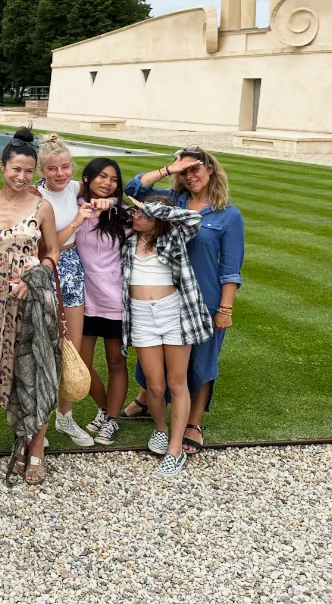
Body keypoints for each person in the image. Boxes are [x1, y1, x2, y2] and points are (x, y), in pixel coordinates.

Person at [123, 146, 245, 455]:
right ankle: (147, 401)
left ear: (211, 171)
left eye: (195, 169)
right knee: (156, 359)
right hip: (164, 295)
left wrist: (225, 308)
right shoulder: (172, 200)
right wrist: (169, 169)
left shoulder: (227, 215)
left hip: (203, 297)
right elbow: (133, 190)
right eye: (185, 171)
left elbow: (231, 267)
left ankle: (193, 422)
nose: (190, 176)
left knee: (202, 363)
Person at [0, 128, 61, 484]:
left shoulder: (42, 206)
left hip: (31, 298)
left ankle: (33, 448)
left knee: (33, 370)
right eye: (15, 169)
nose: (22, 177)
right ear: (2, 166)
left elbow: (52, 252)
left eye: (28, 170)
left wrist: (34, 275)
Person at [121, 197, 214, 477]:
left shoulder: (174, 237)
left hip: (174, 313)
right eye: (136, 212)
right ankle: (160, 429)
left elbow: (193, 218)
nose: (137, 217)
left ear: (159, 217)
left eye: (143, 214)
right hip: (141, 316)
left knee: (177, 382)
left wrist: (155, 209)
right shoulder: (127, 242)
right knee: (155, 385)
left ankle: (175, 449)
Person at [35, 133, 96, 447]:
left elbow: (112, 189)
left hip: (72, 267)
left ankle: (65, 416)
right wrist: (76, 222)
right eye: (52, 168)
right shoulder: (36, 197)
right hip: (45, 266)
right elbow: (46, 244)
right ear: (42, 170)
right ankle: (40, 422)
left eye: (65, 166)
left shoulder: (76, 189)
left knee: (72, 343)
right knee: (44, 346)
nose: (60, 173)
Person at [75, 157, 131, 446]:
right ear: (87, 178)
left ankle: (111, 420)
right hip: (84, 300)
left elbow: (155, 215)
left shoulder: (124, 212)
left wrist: (116, 204)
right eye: (102, 177)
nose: (108, 184)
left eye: (113, 179)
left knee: (116, 363)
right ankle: (106, 408)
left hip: (116, 301)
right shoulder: (74, 207)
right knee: (80, 367)